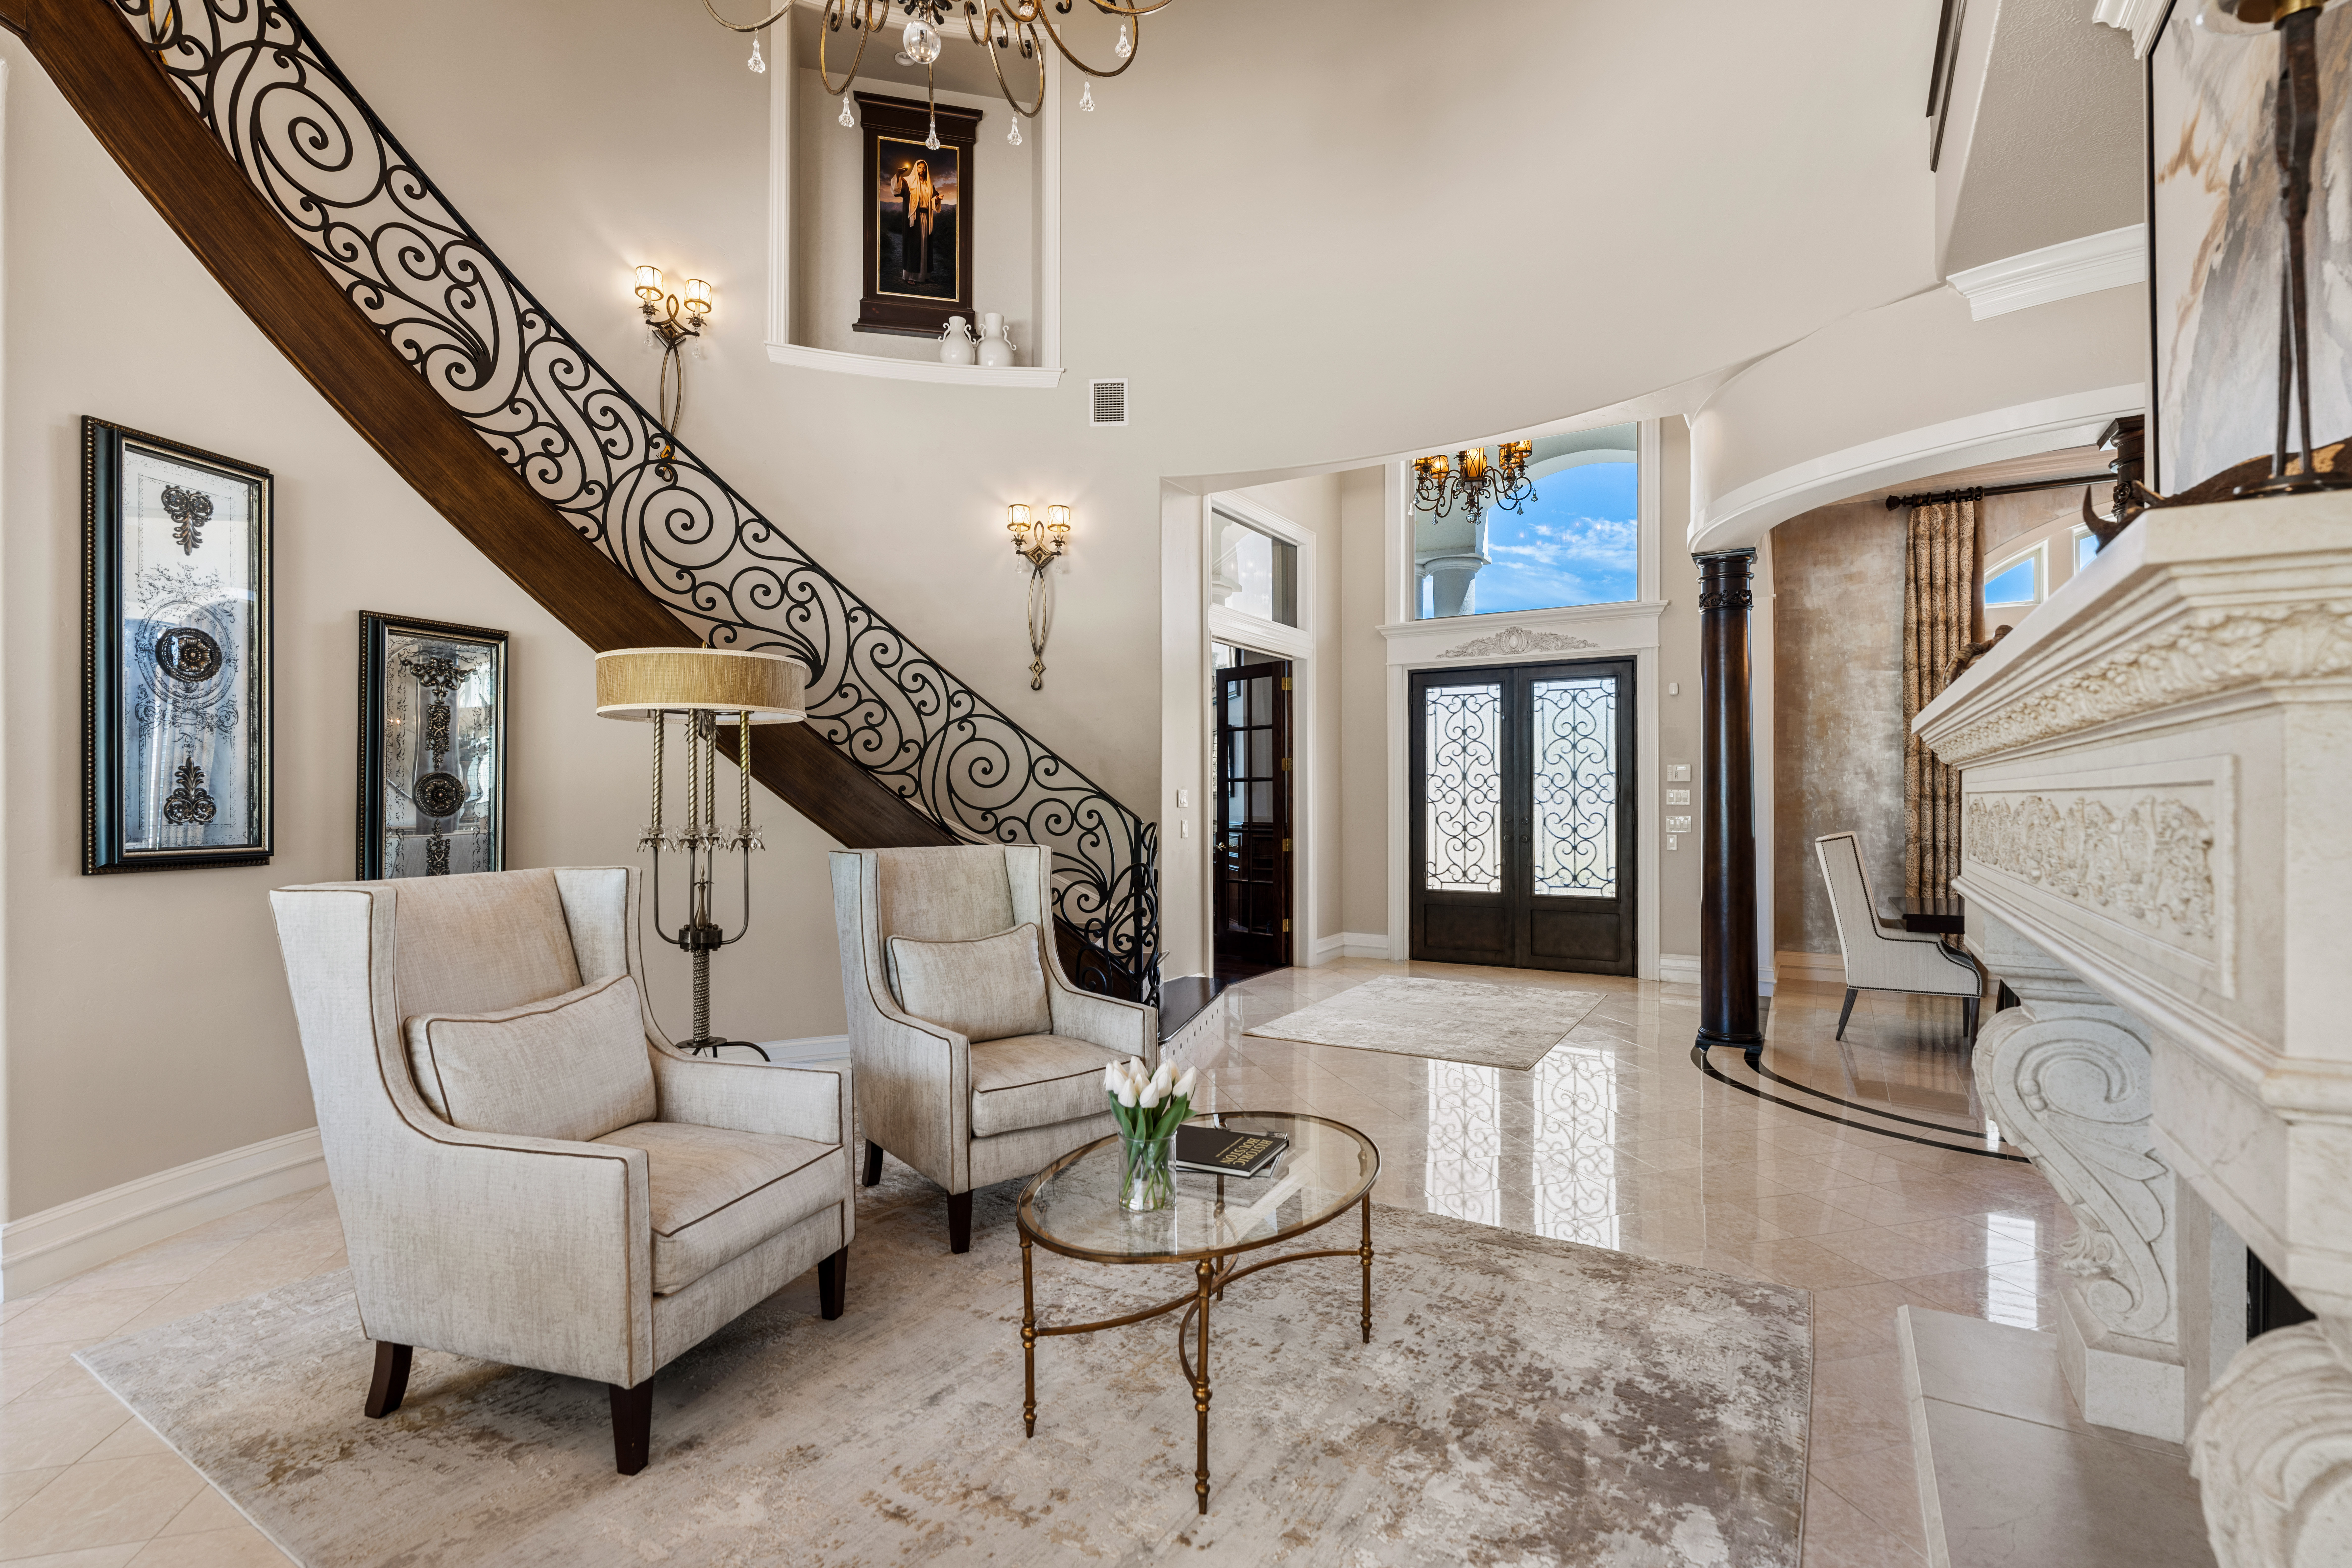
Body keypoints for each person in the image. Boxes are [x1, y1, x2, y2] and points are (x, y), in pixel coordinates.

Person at [889, 157, 941, 284]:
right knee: (913, 246)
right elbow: (897, 190)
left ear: (926, 170)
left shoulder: (930, 185)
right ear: (916, 169)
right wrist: (898, 175)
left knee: (925, 246)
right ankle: (910, 277)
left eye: (924, 168)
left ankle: (925, 276)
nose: (922, 170)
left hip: (927, 219)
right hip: (914, 218)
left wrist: (938, 199)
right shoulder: (909, 183)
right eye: (920, 167)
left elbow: (933, 200)